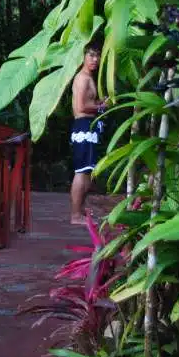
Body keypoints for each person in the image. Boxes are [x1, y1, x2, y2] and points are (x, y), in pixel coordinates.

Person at [70, 43, 107, 225]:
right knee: (81, 172)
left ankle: (80, 212)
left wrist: (100, 102)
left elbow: (88, 103)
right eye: (91, 55)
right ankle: (75, 215)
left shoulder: (89, 78)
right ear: (84, 56)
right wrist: (101, 106)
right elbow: (80, 107)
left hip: (89, 126)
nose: (95, 59)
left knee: (87, 172)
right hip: (83, 126)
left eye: (98, 56)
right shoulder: (82, 78)